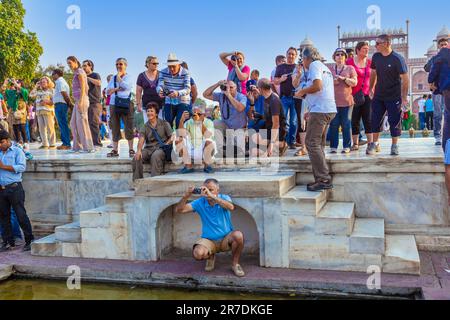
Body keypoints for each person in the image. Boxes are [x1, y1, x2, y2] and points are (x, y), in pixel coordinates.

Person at [175, 179, 246, 278]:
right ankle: (211, 256)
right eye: (205, 189)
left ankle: (235, 264)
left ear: (218, 190)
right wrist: (186, 196)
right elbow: (179, 210)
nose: (207, 192)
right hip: (209, 240)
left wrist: (213, 197)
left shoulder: (224, 198)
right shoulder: (200, 202)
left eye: (211, 189)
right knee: (198, 254)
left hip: (226, 238)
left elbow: (231, 207)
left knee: (238, 235)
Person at [295, 47, 337, 192]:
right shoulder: (324, 67)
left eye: (302, 59)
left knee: (311, 143)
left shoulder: (313, 65)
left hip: (321, 110)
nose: (303, 63)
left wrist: (302, 91)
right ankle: (322, 176)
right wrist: (311, 110)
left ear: (307, 58)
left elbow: (318, 86)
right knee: (318, 144)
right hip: (326, 108)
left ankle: (323, 179)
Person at [369, 34, 409, 156]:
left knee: (394, 121)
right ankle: (375, 144)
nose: (375, 46)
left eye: (377, 43)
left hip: (394, 96)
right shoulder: (376, 57)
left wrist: (403, 98)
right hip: (379, 95)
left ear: (386, 43)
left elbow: (405, 80)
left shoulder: (397, 59)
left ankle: (394, 145)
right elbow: (373, 73)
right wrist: (371, 88)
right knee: (375, 120)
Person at [0, 130, 34, 252]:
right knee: (4, 217)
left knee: (21, 215)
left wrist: (4, 166)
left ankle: (30, 240)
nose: (0, 145)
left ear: (8, 140)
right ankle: (8, 242)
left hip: (14, 188)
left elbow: (21, 167)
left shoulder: (17, 151)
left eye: (2, 142)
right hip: (1, 190)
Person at [203, 80, 247, 156]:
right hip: (227, 127)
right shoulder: (221, 96)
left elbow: (240, 108)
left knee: (240, 152)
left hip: (239, 129)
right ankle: (221, 150)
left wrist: (228, 95)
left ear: (236, 88)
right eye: (227, 87)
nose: (229, 89)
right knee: (215, 123)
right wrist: (217, 84)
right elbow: (205, 94)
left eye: (231, 87)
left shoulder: (241, 97)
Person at [132, 102, 174, 180]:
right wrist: (138, 151)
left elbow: (172, 137)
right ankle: (137, 181)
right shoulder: (145, 126)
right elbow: (141, 139)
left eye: (151, 111)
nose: (149, 113)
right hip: (148, 148)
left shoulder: (164, 123)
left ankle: (154, 181)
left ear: (156, 113)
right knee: (136, 158)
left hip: (160, 149)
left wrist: (166, 144)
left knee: (156, 156)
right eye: (148, 111)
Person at [346, 41, 374, 154]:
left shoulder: (370, 62)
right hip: (353, 95)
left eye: (367, 49)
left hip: (367, 95)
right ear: (357, 50)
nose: (367, 50)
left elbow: (374, 76)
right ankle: (355, 143)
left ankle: (370, 144)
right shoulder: (349, 62)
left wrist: (373, 88)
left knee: (368, 119)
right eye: (364, 49)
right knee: (355, 119)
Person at [249, 78, 288, 158]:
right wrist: (259, 116)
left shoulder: (274, 100)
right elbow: (269, 116)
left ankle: (281, 144)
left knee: (255, 152)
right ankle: (272, 148)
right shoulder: (266, 98)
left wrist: (271, 145)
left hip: (277, 132)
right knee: (252, 138)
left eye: (257, 87)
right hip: (269, 129)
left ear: (260, 89)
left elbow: (276, 124)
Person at [329, 48, 357, 154]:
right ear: (334, 57)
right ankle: (333, 147)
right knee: (334, 124)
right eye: (337, 54)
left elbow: (354, 82)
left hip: (347, 102)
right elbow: (324, 84)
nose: (339, 56)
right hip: (333, 102)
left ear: (345, 57)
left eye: (342, 54)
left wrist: (344, 79)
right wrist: (333, 82)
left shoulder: (350, 68)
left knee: (346, 124)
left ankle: (346, 146)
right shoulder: (330, 69)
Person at [105, 58, 134, 158]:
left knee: (128, 126)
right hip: (114, 103)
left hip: (126, 102)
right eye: (117, 64)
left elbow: (127, 87)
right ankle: (115, 149)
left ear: (125, 65)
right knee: (114, 126)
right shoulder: (112, 78)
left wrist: (117, 87)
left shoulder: (128, 77)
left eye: (120, 64)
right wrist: (118, 88)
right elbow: (107, 91)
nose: (118, 66)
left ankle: (131, 149)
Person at [175, 105, 216, 174]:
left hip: (204, 150)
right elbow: (181, 134)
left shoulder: (209, 122)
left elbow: (208, 135)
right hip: (191, 148)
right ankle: (188, 166)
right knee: (178, 140)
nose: (196, 116)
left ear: (204, 115)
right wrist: (182, 120)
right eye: (194, 114)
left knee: (209, 141)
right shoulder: (189, 122)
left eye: (199, 114)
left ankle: (207, 166)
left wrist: (199, 122)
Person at [67, 56, 95, 154]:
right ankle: (77, 147)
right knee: (73, 123)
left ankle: (88, 147)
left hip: (81, 100)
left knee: (82, 123)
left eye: (70, 63)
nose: (69, 65)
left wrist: (81, 100)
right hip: (77, 101)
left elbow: (83, 86)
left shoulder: (80, 71)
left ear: (75, 62)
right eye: (68, 63)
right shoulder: (76, 72)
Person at [156, 53, 191, 129]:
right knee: (167, 123)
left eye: (173, 66)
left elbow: (188, 89)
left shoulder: (186, 72)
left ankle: (181, 140)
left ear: (178, 65)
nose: (171, 69)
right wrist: (160, 91)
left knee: (180, 122)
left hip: (183, 101)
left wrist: (178, 93)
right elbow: (159, 85)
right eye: (169, 66)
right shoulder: (163, 72)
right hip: (169, 101)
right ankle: (169, 140)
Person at [274, 47, 299, 149]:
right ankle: (283, 141)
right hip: (284, 98)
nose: (291, 56)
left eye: (293, 54)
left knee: (293, 121)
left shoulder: (298, 67)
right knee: (283, 121)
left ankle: (292, 141)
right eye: (289, 54)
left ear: (296, 56)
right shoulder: (280, 67)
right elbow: (275, 81)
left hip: (296, 97)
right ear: (286, 54)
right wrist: (281, 79)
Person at [426, 38, 449, 146]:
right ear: (438, 46)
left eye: (445, 44)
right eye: (442, 45)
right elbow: (426, 68)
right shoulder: (436, 58)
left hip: (446, 88)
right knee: (438, 113)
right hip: (438, 89)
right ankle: (437, 136)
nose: (444, 46)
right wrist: (437, 62)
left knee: (448, 113)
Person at [29, 76, 56, 150]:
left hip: (48, 111)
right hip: (39, 112)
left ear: (48, 83)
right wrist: (35, 86)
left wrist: (47, 102)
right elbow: (30, 95)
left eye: (44, 82)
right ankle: (45, 144)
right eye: (41, 82)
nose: (42, 83)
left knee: (50, 128)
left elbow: (54, 101)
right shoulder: (38, 91)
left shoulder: (51, 90)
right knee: (41, 129)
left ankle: (52, 144)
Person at [136, 56, 164, 124]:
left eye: (157, 63)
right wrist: (138, 104)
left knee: (160, 125)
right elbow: (138, 91)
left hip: (160, 105)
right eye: (154, 63)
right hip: (147, 106)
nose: (156, 65)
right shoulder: (141, 76)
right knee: (148, 125)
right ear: (148, 64)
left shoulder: (161, 74)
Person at [82, 60, 103, 148]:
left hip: (95, 102)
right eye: (82, 66)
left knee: (94, 123)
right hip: (85, 102)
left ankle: (97, 143)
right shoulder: (82, 76)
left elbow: (98, 83)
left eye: (85, 65)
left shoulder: (95, 74)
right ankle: (89, 143)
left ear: (90, 66)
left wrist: (87, 77)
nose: (83, 67)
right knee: (86, 123)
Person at [51, 69, 73, 150]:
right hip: (60, 104)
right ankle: (65, 142)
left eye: (53, 74)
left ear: (57, 74)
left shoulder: (60, 82)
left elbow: (64, 94)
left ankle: (66, 143)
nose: (52, 76)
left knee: (63, 124)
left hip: (61, 105)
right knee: (62, 124)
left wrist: (70, 104)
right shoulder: (60, 82)